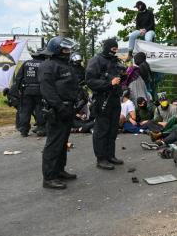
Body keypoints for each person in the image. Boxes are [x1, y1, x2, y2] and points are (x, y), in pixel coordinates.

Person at [37, 36, 79, 189]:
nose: (68, 52)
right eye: (65, 49)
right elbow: (47, 91)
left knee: (62, 143)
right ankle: (49, 178)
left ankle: (59, 171)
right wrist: (60, 107)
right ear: (57, 50)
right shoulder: (47, 66)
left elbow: (71, 84)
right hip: (57, 110)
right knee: (54, 144)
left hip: (68, 108)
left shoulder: (65, 65)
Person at [86, 38, 126, 170]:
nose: (114, 52)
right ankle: (101, 158)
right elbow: (90, 81)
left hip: (114, 99)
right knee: (101, 130)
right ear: (107, 48)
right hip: (102, 99)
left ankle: (110, 155)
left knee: (113, 129)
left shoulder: (115, 60)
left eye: (116, 50)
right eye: (113, 49)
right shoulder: (96, 60)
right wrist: (109, 83)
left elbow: (118, 77)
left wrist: (123, 75)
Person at [12, 50, 47, 137]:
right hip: (40, 91)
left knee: (25, 110)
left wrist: (18, 89)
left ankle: (24, 130)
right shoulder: (44, 64)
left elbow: (18, 78)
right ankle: (41, 129)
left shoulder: (26, 63)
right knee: (40, 109)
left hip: (26, 91)